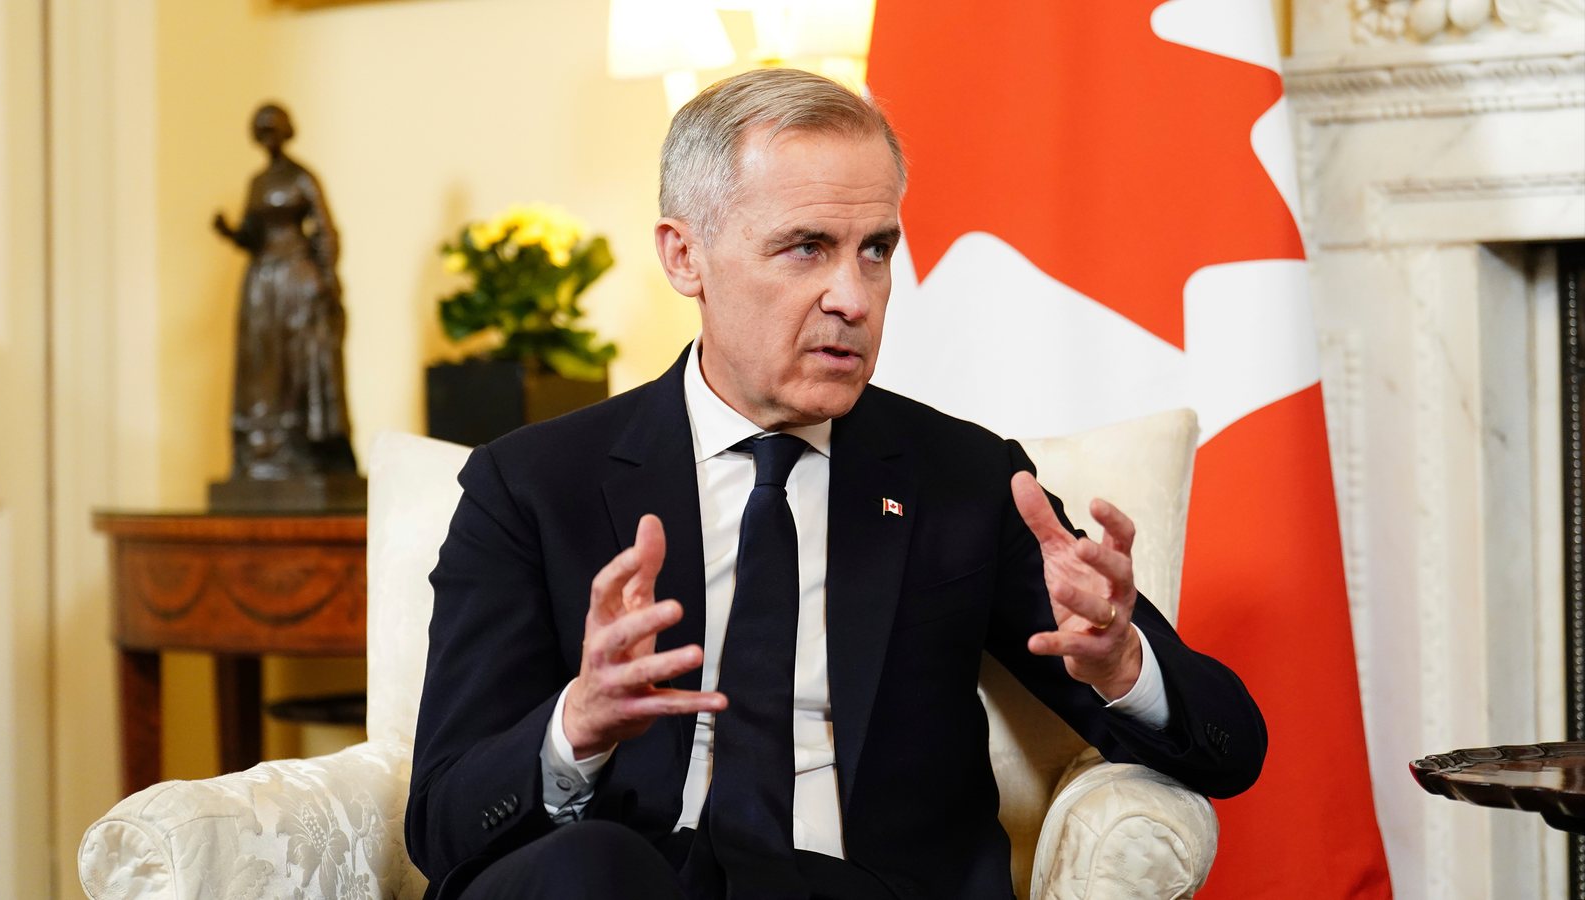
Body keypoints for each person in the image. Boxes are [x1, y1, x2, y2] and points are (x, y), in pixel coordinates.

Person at [406, 69, 1265, 900]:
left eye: (876, 251)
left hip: (865, 885)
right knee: (590, 866)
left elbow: (1231, 750)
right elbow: (443, 827)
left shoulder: (965, 480)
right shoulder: (533, 486)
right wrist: (576, 726)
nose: (853, 298)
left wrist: (1121, 662)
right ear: (685, 255)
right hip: (629, 878)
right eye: (807, 248)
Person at [214, 103, 356, 481]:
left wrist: (326, 278)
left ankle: (306, 446)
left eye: (274, 128)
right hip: (263, 281)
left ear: (286, 131)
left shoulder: (301, 177)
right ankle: (261, 447)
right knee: (262, 361)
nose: (269, 137)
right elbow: (252, 234)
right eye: (262, 130)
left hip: (295, 277)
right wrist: (229, 232)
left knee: (297, 362)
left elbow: (326, 230)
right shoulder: (257, 182)